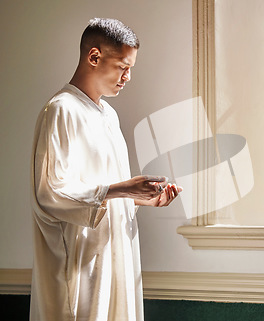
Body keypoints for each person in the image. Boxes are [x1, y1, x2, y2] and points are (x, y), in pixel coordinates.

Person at [30, 18, 181, 321]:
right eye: (123, 67)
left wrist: (141, 198)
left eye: (131, 69)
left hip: (115, 255)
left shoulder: (108, 115)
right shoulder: (61, 110)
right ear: (94, 57)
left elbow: (102, 192)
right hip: (79, 263)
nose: (128, 77)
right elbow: (50, 192)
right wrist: (124, 188)